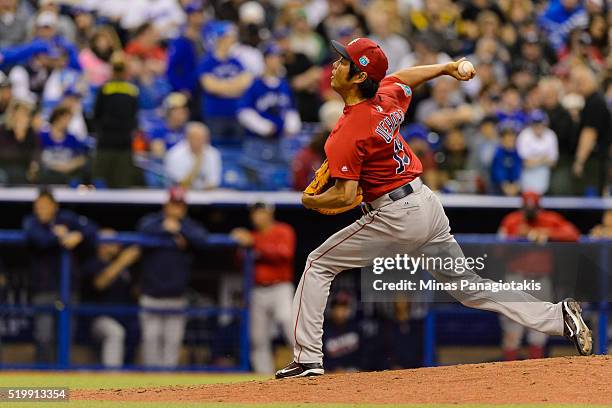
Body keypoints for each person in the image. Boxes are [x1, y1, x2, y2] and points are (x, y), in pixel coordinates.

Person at [275, 37, 592, 379]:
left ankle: (308, 358)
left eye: (342, 62)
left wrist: (310, 201)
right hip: (426, 205)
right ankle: (559, 317)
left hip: (396, 216)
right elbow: (404, 78)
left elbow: (344, 194)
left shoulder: (346, 131)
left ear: (356, 78)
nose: (334, 66)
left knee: (318, 263)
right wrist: (445, 67)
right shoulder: (386, 97)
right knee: (469, 287)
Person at [498, 192, 580, 360]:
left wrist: (543, 232)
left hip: (541, 281)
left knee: (539, 332)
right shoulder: (511, 220)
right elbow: (497, 251)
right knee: (512, 332)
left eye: (533, 207)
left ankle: (537, 379)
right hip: (516, 280)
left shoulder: (549, 219)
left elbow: (573, 234)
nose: (530, 211)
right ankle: (508, 379)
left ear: (538, 207)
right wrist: (517, 238)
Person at [22, 188, 97, 363]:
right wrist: (59, 236)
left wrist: (78, 235)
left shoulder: (66, 219)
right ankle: (43, 381)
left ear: (54, 206)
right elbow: (38, 239)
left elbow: (92, 229)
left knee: (65, 336)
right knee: (43, 336)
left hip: (68, 288)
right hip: (43, 288)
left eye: (45, 206)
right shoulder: (31, 221)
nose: (41, 210)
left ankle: (62, 375)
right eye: (38, 206)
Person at [136, 187, 208, 367]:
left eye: (180, 205)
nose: (177, 209)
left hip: (176, 296)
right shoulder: (152, 222)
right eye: (174, 204)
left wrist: (179, 229)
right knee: (151, 342)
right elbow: (142, 229)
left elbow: (202, 238)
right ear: (166, 204)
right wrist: (165, 229)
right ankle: (150, 388)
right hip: (152, 295)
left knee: (172, 346)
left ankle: (167, 390)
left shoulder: (188, 226)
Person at [230, 201, 296, 374]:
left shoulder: (283, 231)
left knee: (288, 325)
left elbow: (284, 253)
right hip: (257, 290)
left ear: (269, 214)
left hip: (280, 287)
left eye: (261, 212)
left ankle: (305, 365)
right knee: (257, 338)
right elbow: (239, 263)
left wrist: (254, 243)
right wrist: (239, 246)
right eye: (254, 213)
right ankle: (264, 378)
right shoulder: (251, 235)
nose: (257, 216)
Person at [237, 42, 301, 188]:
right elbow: (243, 111)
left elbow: (291, 109)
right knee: (255, 181)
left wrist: (292, 124)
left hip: (280, 142)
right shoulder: (255, 84)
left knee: (283, 181)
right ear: (265, 59)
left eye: (278, 57)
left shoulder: (284, 85)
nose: (276, 60)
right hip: (256, 143)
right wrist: (262, 126)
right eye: (273, 57)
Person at [82, 230, 140, 368]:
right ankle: (112, 379)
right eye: (113, 242)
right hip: (97, 318)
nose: (118, 245)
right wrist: (123, 261)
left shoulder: (126, 269)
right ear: (101, 245)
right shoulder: (92, 264)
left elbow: (134, 292)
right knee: (115, 332)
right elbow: (100, 284)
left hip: (125, 317)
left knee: (137, 329)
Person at [92, 53, 141, 188]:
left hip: (110, 143)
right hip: (117, 143)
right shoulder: (131, 90)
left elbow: (96, 115)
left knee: (105, 180)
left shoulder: (106, 89)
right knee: (117, 182)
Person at [197, 21, 252, 142]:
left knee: (238, 152)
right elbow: (210, 87)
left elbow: (247, 83)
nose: (232, 40)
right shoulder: (207, 62)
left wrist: (224, 86)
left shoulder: (236, 61)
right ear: (220, 38)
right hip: (215, 115)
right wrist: (234, 86)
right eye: (229, 36)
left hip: (236, 113)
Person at [570, 66, 611, 196]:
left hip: (593, 161)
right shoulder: (592, 100)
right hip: (597, 159)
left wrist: (579, 161)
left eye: (579, 82)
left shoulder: (595, 102)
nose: (577, 87)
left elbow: (589, 133)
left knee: (590, 197)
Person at [38, 105, 89, 185]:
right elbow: (36, 157)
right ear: (58, 118)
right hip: (47, 174)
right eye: (66, 118)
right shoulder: (42, 136)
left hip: (67, 175)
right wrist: (57, 167)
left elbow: (82, 158)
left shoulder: (72, 138)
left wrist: (71, 165)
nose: (68, 122)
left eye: (69, 119)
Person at [164, 122, 221, 190]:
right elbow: (180, 184)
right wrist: (198, 163)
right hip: (181, 196)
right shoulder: (175, 154)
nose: (202, 142)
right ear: (188, 138)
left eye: (204, 138)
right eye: (198, 138)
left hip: (206, 195)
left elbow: (213, 183)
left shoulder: (213, 153)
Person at [516, 110, 559, 194]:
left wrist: (535, 160)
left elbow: (553, 162)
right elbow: (525, 163)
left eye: (540, 123)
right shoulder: (524, 135)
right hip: (526, 175)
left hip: (544, 174)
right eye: (535, 123)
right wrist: (543, 159)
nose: (538, 126)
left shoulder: (551, 135)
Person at [490, 121, 522, 196]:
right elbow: (497, 171)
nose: (510, 139)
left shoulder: (517, 153)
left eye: (512, 136)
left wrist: (515, 185)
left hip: (514, 189)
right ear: (502, 138)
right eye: (507, 136)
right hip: (498, 189)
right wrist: (504, 185)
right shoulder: (498, 153)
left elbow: (518, 169)